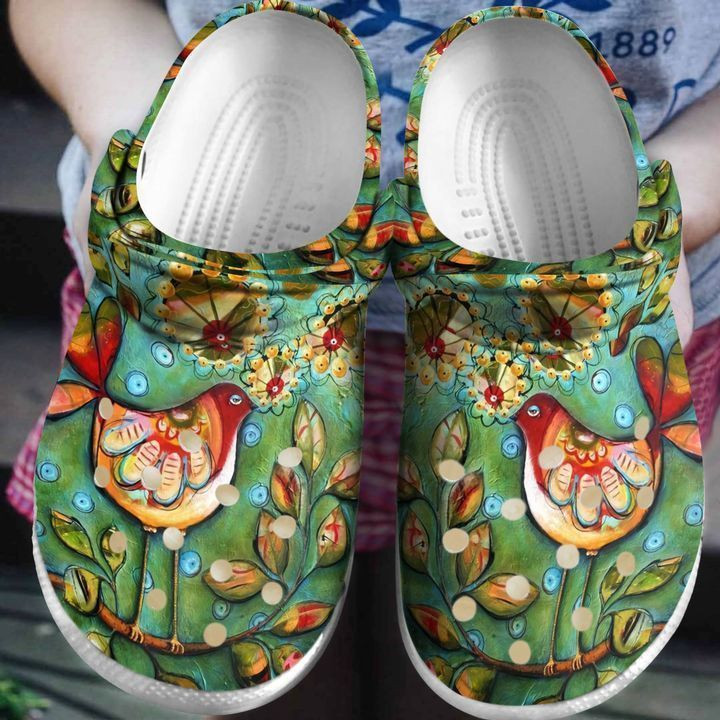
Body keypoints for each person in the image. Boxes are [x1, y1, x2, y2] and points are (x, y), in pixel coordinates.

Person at [8, 0, 720, 550]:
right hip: (200, 277)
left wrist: (672, 200)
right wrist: (136, 134)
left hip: (602, 316)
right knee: (254, 636)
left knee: (470, 645)